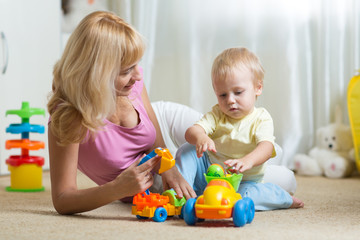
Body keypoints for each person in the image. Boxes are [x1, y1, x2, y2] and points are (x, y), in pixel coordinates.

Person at [47, 11, 196, 215]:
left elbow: (158, 142)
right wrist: (116, 189)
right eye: (126, 71)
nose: (137, 75)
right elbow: (63, 199)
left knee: (224, 138)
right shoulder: (68, 118)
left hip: (158, 120)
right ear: (96, 74)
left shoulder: (131, 83)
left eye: (137, 64)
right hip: (143, 179)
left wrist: (169, 166)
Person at [177, 47, 304, 210]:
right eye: (222, 95)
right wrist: (201, 137)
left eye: (238, 92)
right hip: (208, 176)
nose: (230, 100)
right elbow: (191, 132)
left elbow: (266, 147)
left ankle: (282, 197)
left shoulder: (261, 118)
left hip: (241, 183)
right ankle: (183, 193)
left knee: (245, 198)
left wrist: (247, 161)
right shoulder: (217, 114)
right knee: (187, 149)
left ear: (258, 88)